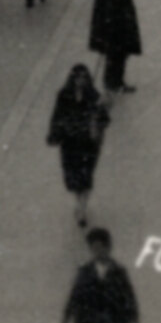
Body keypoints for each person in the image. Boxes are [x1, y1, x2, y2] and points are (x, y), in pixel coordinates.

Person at [46, 64, 111, 227]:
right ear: (73, 78)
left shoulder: (94, 96)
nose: (81, 80)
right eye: (78, 77)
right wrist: (55, 133)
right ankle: (79, 202)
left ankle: (81, 209)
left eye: (84, 77)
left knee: (86, 176)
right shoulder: (64, 95)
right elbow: (57, 116)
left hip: (87, 144)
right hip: (70, 143)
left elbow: (104, 119)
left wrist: (102, 108)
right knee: (73, 176)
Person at [62, 226, 139, 323]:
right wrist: (66, 317)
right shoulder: (85, 272)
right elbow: (75, 295)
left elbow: (128, 297)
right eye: (94, 248)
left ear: (108, 248)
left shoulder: (118, 272)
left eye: (100, 247)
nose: (97, 252)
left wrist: (132, 320)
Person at [89, 0, 142, 96]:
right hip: (115, 21)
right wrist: (112, 20)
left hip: (117, 19)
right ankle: (112, 83)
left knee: (120, 53)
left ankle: (116, 82)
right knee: (116, 53)